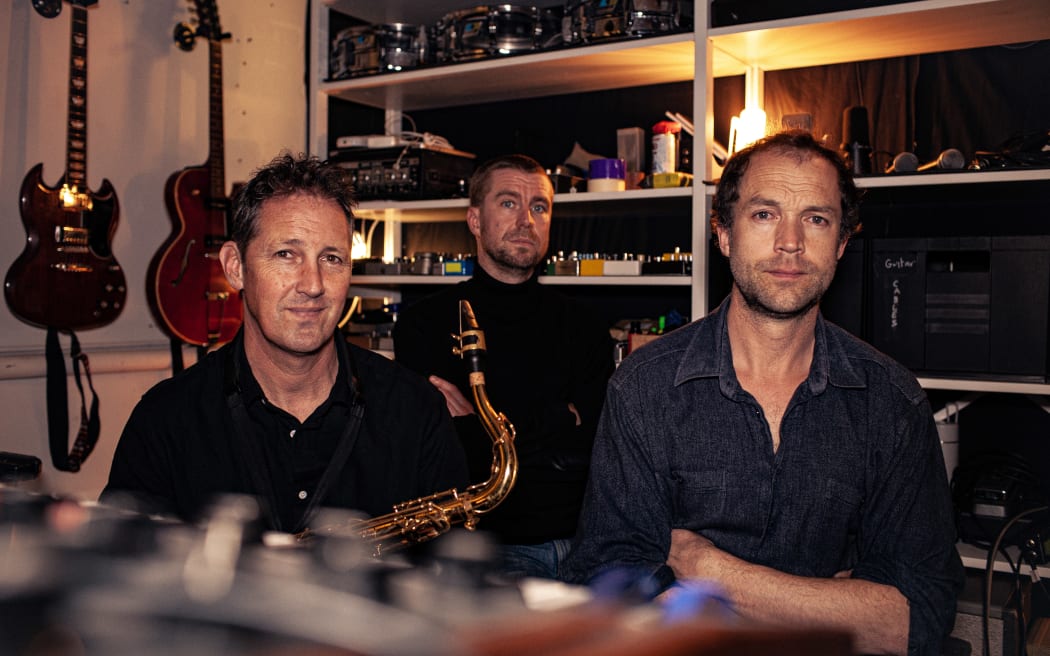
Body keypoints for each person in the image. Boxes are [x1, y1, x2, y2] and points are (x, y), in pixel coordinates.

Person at [562, 131, 964, 654]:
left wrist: (706, 569)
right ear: (723, 233)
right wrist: (832, 605)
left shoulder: (890, 402)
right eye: (765, 214)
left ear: (842, 243)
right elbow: (608, 589)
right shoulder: (645, 388)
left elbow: (916, 621)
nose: (790, 242)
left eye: (816, 219)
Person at [102, 152, 469, 534]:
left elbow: (456, 578)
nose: (313, 284)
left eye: (332, 258)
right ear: (235, 266)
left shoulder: (416, 411)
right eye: (286, 254)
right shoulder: (165, 419)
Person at [393, 154, 615, 580]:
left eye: (539, 207)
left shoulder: (585, 324)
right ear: (474, 220)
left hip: (588, 543)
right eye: (509, 203)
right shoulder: (425, 324)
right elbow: (439, 456)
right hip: (487, 549)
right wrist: (557, 416)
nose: (527, 220)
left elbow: (595, 445)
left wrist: (479, 424)